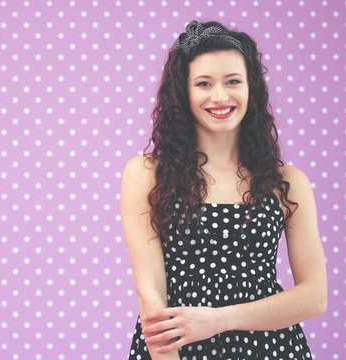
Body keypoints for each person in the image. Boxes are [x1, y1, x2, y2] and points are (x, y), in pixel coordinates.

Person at [121, 20, 327, 359]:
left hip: (271, 348)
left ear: (251, 89)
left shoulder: (288, 182)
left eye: (233, 81)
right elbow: (151, 293)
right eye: (204, 83)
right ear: (183, 92)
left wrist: (217, 320)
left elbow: (315, 296)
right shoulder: (146, 174)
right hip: (177, 350)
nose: (220, 96)